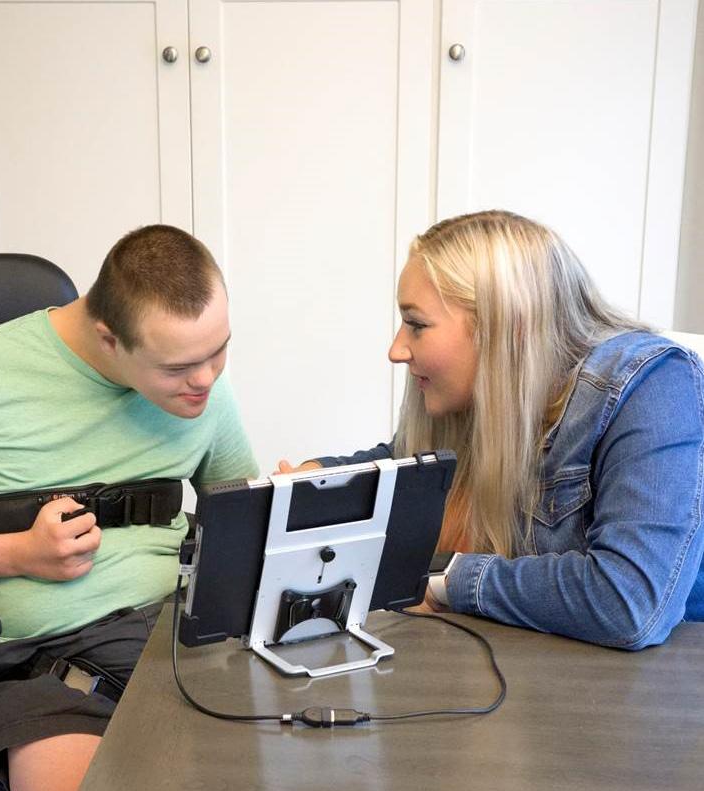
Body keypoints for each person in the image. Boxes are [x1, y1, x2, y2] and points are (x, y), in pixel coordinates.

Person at [0, 225, 257, 791]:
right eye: (177, 366)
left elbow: (241, 513)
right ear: (108, 338)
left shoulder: (198, 381)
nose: (205, 379)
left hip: (193, 635)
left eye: (219, 351)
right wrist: (15, 554)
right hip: (51, 674)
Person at [279, 210, 704, 649]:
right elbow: (407, 462)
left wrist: (445, 578)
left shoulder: (655, 384)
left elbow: (629, 602)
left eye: (417, 325)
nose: (396, 349)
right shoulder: (492, 398)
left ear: (506, 328)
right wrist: (316, 480)